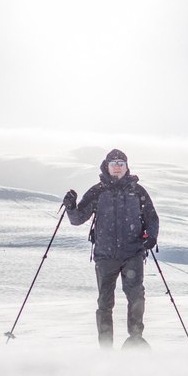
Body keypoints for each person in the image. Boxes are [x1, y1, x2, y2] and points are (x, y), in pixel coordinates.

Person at [62, 149, 159, 349]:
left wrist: (151, 236)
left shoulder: (138, 191)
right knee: (105, 303)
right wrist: (71, 206)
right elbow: (78, 219)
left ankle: (136, 340)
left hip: (133, 254)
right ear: (106, 166)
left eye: (121, 163)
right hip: (105, 257)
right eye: (113, 163)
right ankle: (106, 348)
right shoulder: (98, 191)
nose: (117, 166)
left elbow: (152, 218)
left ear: (126, 167)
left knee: (136, 297)